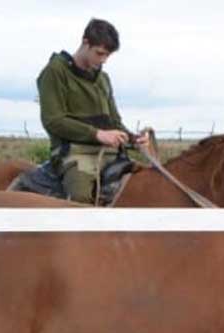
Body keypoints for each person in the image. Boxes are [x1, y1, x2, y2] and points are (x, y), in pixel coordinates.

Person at [36, 18, 149, 203]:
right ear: (85, 42)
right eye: (100, 53)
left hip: (110, 154)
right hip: (74, 154)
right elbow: (53, 120)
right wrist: (97, 134)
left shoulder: (103, 79)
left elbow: (114, 122)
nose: (103, 60)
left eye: (107, 56)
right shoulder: (55, 72)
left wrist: (133, 139)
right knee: (80, 198)